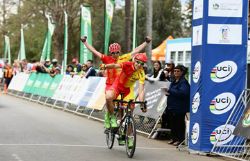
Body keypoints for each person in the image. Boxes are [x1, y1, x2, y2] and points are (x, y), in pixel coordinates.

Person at [81, 35, 151, 129]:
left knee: (123, 106)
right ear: (110, 53)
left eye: (117, 52)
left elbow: (136, 51)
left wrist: (146, 43)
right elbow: (94, 51)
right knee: (110, 100)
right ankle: (108, 117)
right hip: (111, 84)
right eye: (113, 53)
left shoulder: (124, 58)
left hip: (123, 84)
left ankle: (122, 125)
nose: (115, 54)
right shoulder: (107, 59)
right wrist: (85, 42)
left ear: (120, 51)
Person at [102, 53, 148, 147]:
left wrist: (142, 103)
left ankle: (129, 136)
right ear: (134, 60)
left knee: (130, 112)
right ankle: (111, 117)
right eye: (138, 62)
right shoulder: (127, 64)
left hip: (127, 91)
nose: (139, 65)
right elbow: (115, 65)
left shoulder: (141, 72)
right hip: (118, 86)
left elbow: (141, 89)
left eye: (142, 64)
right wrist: (105, 66)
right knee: (108, 97)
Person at [163, 65, 190, 146]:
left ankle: (180, 140)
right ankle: (173, 138)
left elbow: (183, 93)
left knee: (179, 124)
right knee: (172, 123)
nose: (176, 73)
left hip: (179, 107)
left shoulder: (184, 82)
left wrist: (170, 90)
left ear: (182, 72)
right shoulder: (174, 81)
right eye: (175, 71)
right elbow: (173, 92)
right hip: (172, 106)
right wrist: (167, 93)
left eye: (178, 71)